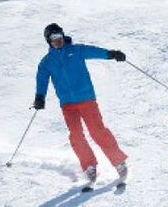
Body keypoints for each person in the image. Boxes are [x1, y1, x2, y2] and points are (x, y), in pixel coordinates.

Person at [33, 23, 129, 185]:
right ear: (48, 41)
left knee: (97, 131)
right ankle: (89, 165)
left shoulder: (76, 50)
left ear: (63, 36)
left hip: (86, 99)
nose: (58, 40)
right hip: (67, 104)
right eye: (53, 38)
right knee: (76, 135)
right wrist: (39, 97)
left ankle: (118, 161)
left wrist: (111, 54)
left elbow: (94, 51)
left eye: (59, 36)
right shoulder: (46, 62)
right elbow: (41, 79)